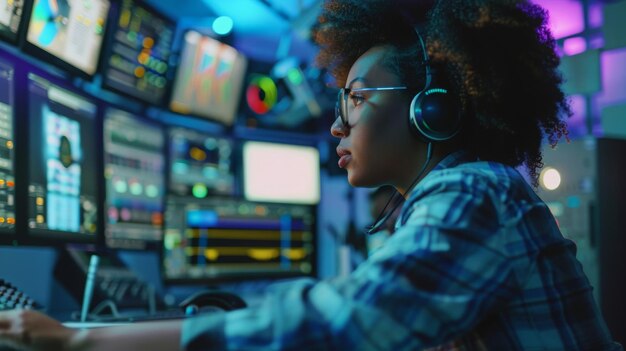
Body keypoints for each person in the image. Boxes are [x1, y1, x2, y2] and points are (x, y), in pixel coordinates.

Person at [0, 0, 622, 349]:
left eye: (355, 97)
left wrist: (83, 342)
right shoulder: (465, 193)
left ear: (429, 108)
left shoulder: (474, 191)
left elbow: (345, 324)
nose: (336, 126)